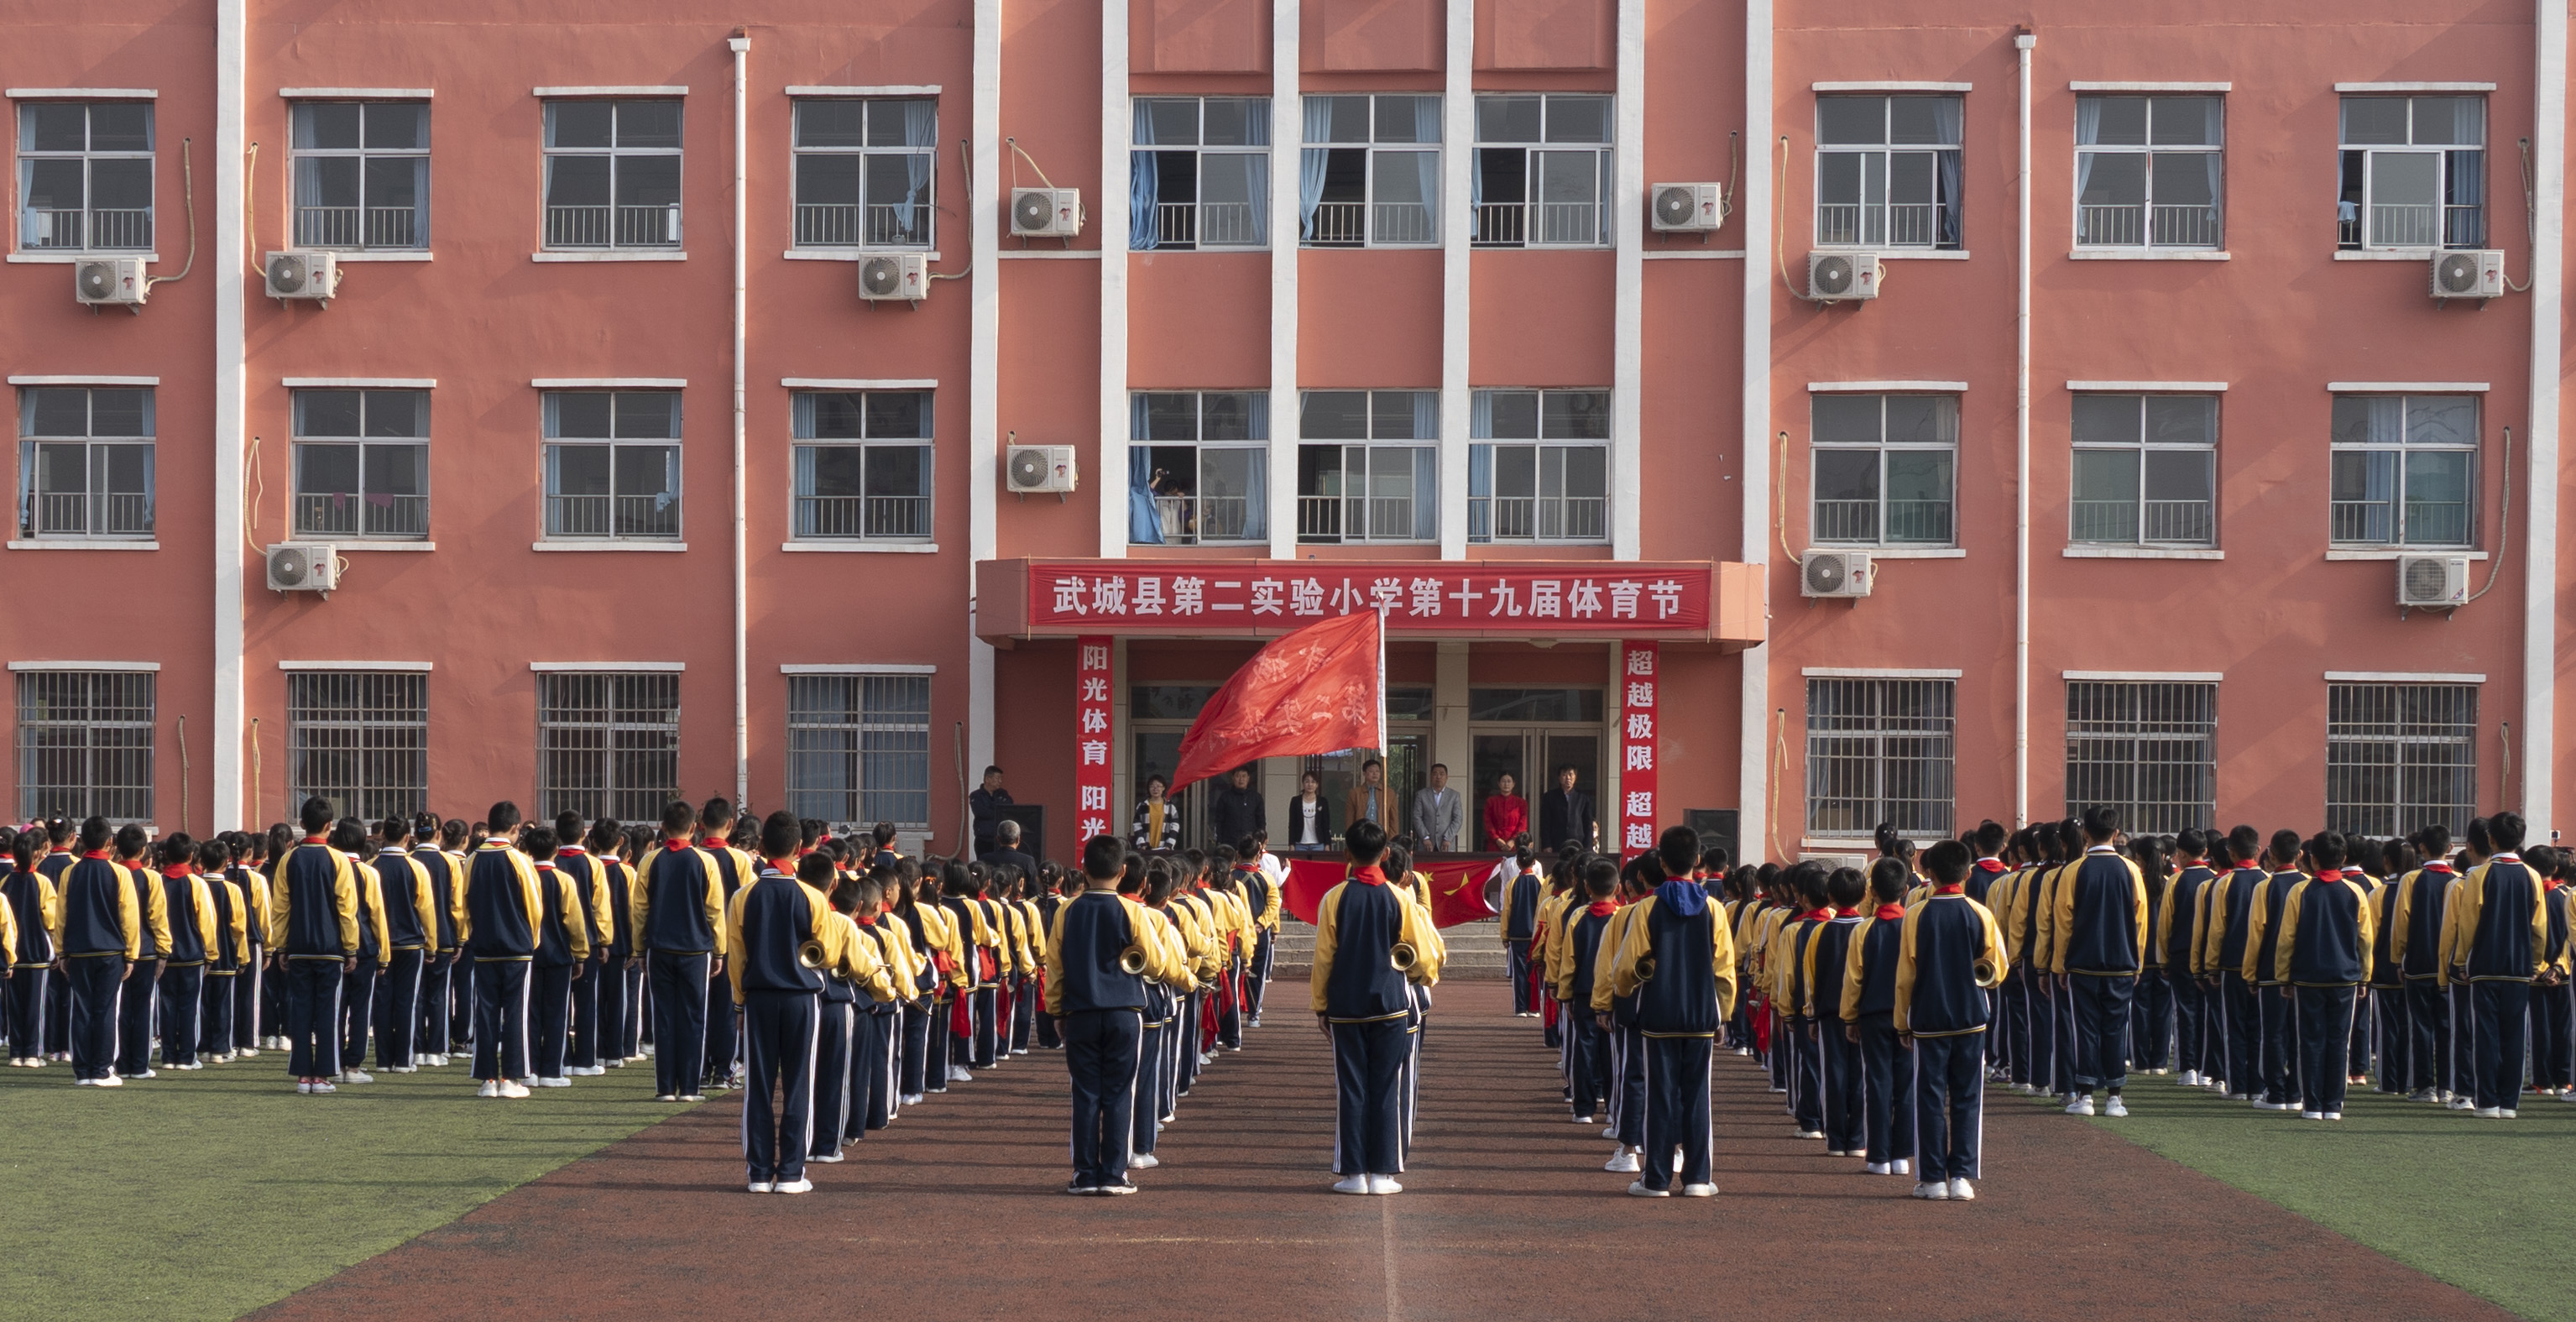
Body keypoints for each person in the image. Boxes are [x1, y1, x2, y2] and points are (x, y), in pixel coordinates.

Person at [1601, 828, 1736, 1197]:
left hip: (1658, 1014)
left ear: (1662, 863)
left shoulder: (1647, 908)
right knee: (1697, 1098)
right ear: (1698, 862)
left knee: (1659, 1096)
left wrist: (1625, 992)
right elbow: (1724, 968)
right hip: (1700, 1017)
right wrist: (1723, 1014)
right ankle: (1697, 1178)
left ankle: (1656, 1178)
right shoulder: (1714, 909)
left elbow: (1625, 967)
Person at [1048, 835, 1183, 1195]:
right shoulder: (1134, 911)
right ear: (1123, 872)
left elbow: (1055, 968)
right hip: (1125, 1010)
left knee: (1086, 1093)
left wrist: (1056, 1011)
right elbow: (1156, 962)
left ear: (1083, 870)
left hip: (1080, 1012)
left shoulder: (1066, 910)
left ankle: (1084, 1173)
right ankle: (1113, 1174)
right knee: (1121, 1092)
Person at [1311, 819, 1439, 1194]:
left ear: (1346, 854)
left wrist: (1321, 1005)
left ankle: (1352, 1173)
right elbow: (1423, 956)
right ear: (1385, 855)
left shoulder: (1334, 898)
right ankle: (1384, 1173)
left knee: (1350, 1086)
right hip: (1392, 1004)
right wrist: (1422, 976)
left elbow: (1323, 959)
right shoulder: (1401, 898)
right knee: (1387, 1085)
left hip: (1346, 1006)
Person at [729, 813, 842, 1194]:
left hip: (759, 999)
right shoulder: (813, 897)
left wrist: (740, 1004)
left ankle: (759, 1173)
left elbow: (737, 957)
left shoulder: (743, 896)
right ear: (798, 849)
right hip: (801, 998)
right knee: (798, 1084)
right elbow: (828, 955)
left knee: (758, 1086)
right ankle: (791, 1173)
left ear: (761, 847)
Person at [1896, 839, 2007, 1200]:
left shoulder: (1916, 914)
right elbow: (1998, 969)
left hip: (1928, 1018)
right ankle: (1961, 1175)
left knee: (1928, 1097)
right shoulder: (1980, 913)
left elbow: (1905, 977)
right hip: (1971, 1016)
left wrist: (1902, 1022)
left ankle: (1932, 1179)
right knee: (1967, 1096)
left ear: (1928, 874)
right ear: (1968, 872)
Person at [2438, 812, 2542, 1118]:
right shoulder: (2532, 876)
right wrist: (2535, 962)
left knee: (2485, 1035)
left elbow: (2468, 924)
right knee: (2514, 1036)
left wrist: (2460, 961)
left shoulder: (2478, 876)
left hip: (2484, 966)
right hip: (2520, 967)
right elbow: (2539, 927)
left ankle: (2488, 1102)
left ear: (2490, 839)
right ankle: (2509, 1103)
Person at [2050, 806, 2147, 1118]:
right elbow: (2140, 920)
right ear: (2116, 834)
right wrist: (2138, 963)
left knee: (2086, 1029)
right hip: (2121, 963)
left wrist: (2059, 965)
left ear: (2085, 835)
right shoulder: (2130, 869)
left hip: (2083, 962)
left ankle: (2086, 1095)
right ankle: (2115, 1098)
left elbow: (2063, 922)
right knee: (2116, 1029)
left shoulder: (2073, 870)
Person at [2270, 832, 2372, 1121]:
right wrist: (2365, 976)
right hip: (2345, 977)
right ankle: (2333, 1105)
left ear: (2312, 859)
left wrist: (2284, 977)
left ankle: (2312, 1105)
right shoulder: (2355, 892)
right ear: (2343, 859)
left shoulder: (2300, 892)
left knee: (2310, 1041)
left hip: (2308, 977)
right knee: (2340, 1042)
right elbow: (2365, 939)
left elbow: (2286, 939)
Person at [635, 800, 725, 1103]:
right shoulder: (705, 862)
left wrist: (639, 949)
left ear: (663, 828)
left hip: (659, 948)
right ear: (694, 828)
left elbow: (639, 911)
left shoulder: (649, 861)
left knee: (663, 1018)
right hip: (695, 950)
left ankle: (665, 1088)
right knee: (693, 1017)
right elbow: (714, 910)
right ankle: (689, 1087)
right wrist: (721, 950)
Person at [271, 801, 361, 1094]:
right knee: (327, 1011)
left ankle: (302, 1076)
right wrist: (351, 948)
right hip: (330, 948)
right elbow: (347, 909)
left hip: (298, 947)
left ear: (302, 823)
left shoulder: (288, 859)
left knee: (300, 1010)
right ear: (328, 826)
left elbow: (280, 908)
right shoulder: (338, 860)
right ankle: (322, 1075)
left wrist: (281, 946)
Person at [50, 817, 142, 1086]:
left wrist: (62, 952)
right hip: (110, 951)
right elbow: (129, 917)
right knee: (104, 1010)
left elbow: (61, 915)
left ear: (80, 840)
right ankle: (101, 1069)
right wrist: (131, 954)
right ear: (110, 842)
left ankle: (83, 1071)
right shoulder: (119, 873)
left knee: (82, 1010)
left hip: (78, 951)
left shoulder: (71, 872)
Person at [1839, 858, 1915, 1177]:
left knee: (1877, 1082)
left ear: (1871, 891)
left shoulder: (1863, 930)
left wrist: (1849, 1017)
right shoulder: (1915, 925)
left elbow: (1853, 978)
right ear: (1906, 890)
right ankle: (1902, 1155)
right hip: (1909, 1017)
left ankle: (1879, 1156)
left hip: (1873, 1016)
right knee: (1907, 1085)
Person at [462, 804, 545, 1100]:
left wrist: (473, 933)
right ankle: (511, 1077)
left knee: (484, 1013)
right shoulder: (519, 860)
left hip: (484, 947)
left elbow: (463, 904)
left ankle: (487, 1079)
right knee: (516, 1013)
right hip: (516, 948)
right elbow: (535, 906)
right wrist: (531, 940)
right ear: (515, 828)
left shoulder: (472, 860)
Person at [2239, 829, 2307, 1111]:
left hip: (2269, 971)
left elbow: (2256, 933)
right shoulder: (2308, 885)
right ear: (2300, 854)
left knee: (2273, 1034)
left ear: (2271, 854)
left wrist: (2250, 974)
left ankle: (2275, 1092)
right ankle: (2296, 1092)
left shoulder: (2264, 888)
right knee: (2299, 1033)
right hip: (2303, 973)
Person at [1804, 865, 1868, 1156]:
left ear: (1830, 896)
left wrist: (1811, 1015)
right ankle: (1857, 1138)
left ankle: (1836, 1139)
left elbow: (1811, 977)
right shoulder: (1868, 928)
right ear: (1865, 895)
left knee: (1834, 1074)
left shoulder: (1820, 931)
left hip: (1830, 1013)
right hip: (1864, 1013)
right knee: (1861, 1075)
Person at [523, 827, 591, 1088]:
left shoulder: (524, 878)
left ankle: (531, 1069)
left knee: (531, 1014)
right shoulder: (564, 880)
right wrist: (581, 954)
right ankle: (552, 1070)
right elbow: (574, 922)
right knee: (557, 1014)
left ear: (528, 850)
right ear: (556, 850)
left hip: (528, 956)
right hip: (559, 956)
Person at [1556, 857, 1620, 1124]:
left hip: (1583, 991)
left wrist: (1565, 994)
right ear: (1617, 888)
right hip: (1615, 994)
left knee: (1584, 1048)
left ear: (1586, 886)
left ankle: (1583, 1108)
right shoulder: (1623, 916)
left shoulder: (1577, 917)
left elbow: (1568, 959)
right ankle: (1612, 1106)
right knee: (1612, 1052)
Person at [153, 836, 218, 1071]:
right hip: (191, 954)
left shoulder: (158, 881)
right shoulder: (196, 883)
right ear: (192, 856)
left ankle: (169, 1055)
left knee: (167, 1006)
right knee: (190, 1007)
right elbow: (207, 922)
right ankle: (187, 1056)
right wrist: (211, 952)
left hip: (165, 956)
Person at [3, 828, 56, 1068]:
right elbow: (51, 920)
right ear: (36, 854)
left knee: (14, 1005)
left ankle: (16, 1052)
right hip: (37, 953)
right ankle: (32, 1053)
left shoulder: (5, 882)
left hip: (12, 954)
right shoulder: (42, 882)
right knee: (36, 1005)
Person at [1500, 837, 1544, 1016]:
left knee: (1519, 972)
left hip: (1517, 933)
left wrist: (1504, 935)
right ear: (1534, 863)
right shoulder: (1542, 883)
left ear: (1517, 863)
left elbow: (1507, 911)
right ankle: (1534, 1008)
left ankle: (1521, 1007)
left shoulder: (1512, 884)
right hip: (1535, 934)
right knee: (1534, 970)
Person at [1210, 766, 1266, 854]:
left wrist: (1261, 840)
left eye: (1244, 776)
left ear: (1248, 778)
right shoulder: (1225, 797)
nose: (1241, 779)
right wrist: (1219, 840)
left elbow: (1261, 821)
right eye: (1238, 776)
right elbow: (1219, 821)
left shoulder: (1256, 797)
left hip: (1250, 844)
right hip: (1229, 843)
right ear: (1233, 778)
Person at [1539, 766, 1596, 852]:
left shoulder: (1582, 798)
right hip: (1556, 843)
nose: (1568, 778)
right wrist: (1547, 844)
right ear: (1559, 778)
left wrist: (1588, 847)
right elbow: (1545, 823)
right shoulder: (1550, 797)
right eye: (1564, 775)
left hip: (1578, 843)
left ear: (1575, 777)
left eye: (1571, 775)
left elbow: (1588, 825)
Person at [1412, 764, 1463, 854]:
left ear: (1447, 777)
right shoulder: (1421, 795)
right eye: (1435, 774)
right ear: (1431, 776)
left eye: (1441, 774)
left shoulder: (1454, 795)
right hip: (1426, 844)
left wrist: (1448, 838)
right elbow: (1417, 817)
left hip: (1447, 844)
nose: (1438, 777)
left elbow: (1458, 819)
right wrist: (1425, 837)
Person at [969, 766, 1014, 858]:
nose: (1000, 781)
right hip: (983, 840)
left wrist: (991, 806)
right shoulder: (976, 795)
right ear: (988, 779)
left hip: (1000, 839)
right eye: (997, 778)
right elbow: (981, 812)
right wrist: (997, 807)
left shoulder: (1003, 794)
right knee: (984, 866)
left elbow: (1008, 809)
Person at [1287, 771, 1334, 852]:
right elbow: (1292, 825)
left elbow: (1326, 825)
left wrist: (1327, 844)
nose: (1310, 784)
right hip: (1300, 844)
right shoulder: (1295, 801)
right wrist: (1291, 844)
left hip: (1318, 844)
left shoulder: (1323, 801)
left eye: (1313, 782)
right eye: (1307, 781)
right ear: (1303, 783)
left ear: (1317, 784)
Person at [1132, 775, 1181, 853]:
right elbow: (1137, 825)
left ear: (1163, 788)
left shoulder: (1170, 807)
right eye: (1152, 786)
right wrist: (1142, 844)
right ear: (1148, 788)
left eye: (1158, 786)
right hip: (1146, 849)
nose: (1155, 789)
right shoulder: (1142, 806)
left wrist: (1169, 845)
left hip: (1164, 849)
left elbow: (1175, 827)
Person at [980, 820, 1039, 884]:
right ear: (1018, 839)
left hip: (991, 893)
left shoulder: (985, 859)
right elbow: (1033, 889)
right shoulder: (1027, 861)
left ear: (998, 839)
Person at [1481, 773, 1528, 851]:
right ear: (1499, 784)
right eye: (1503, 781)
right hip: (1495, 843)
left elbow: (1523, 824)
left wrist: (1513, 840)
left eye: (1509, 781)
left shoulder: (1521, 803)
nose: (1506, 784)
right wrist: (1496, 839)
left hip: (1515, 844)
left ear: (1513, 784)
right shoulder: (1491, 802)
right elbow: (1487, 822)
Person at [1345, 760, 1391, 832]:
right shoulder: (1354, 793)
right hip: (1361, 834)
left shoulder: (1388, 793)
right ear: (1364, 773)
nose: (1375, 774)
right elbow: (1349, 819)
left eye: (1377, 771)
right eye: (1371, 771)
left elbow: (1393, 819)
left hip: (1381, 834)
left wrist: (1392, 840)